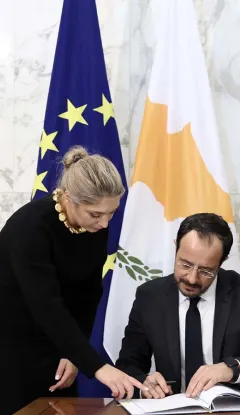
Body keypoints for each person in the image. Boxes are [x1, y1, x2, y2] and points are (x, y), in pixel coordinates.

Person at [0, 146, 145, 414]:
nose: (105, 224)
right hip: (12, 349)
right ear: (68, 198)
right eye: (96, 214)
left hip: (61, 344)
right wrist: (97, 366)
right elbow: (46, 304)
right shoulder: (30, 227)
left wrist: (73, 355)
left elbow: (89, 294)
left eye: (112, 213)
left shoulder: (93, 226)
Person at [115, 213, 240, 399]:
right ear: (176, 247)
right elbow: (128, 365)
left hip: (237, 407)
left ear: (222, 261)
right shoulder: (150, 297)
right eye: (185, 265)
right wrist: (145, 384)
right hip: (173, 407)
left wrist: (231, 369)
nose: (192, 278)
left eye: (206, 271)